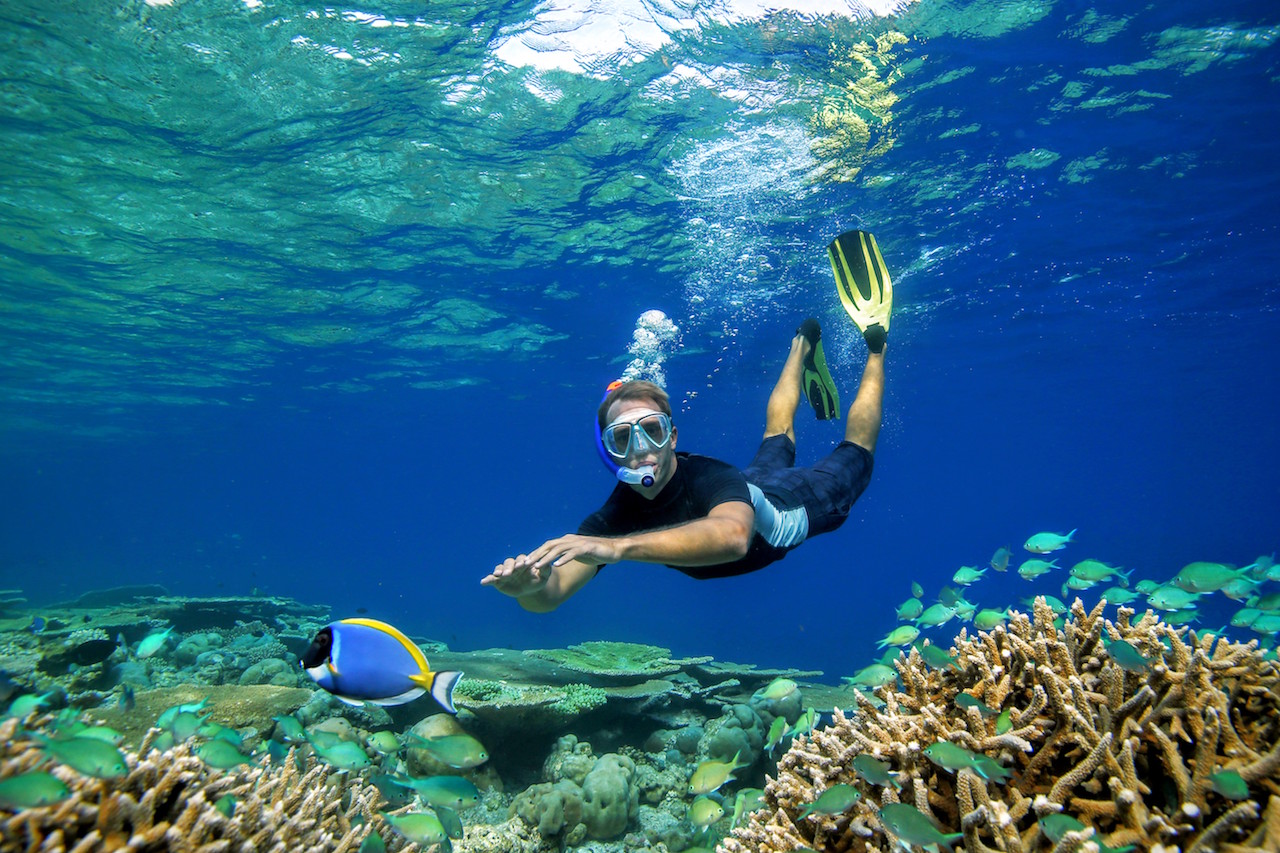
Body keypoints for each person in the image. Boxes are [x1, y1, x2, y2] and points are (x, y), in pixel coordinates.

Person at [482, 229, 892, 612]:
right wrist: (530, 590)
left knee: (856, 450)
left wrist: (617, 549)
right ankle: (801, 341)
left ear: (673, 436)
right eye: (623, 438)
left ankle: (875, 344)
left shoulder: (711, 477)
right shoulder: (612, 518)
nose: (641, 449)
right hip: (751, 487)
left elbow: (732, 539)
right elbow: (553, 594)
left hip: (800, 503)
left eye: (653, 430)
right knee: (776, 436)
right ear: (608, 452)